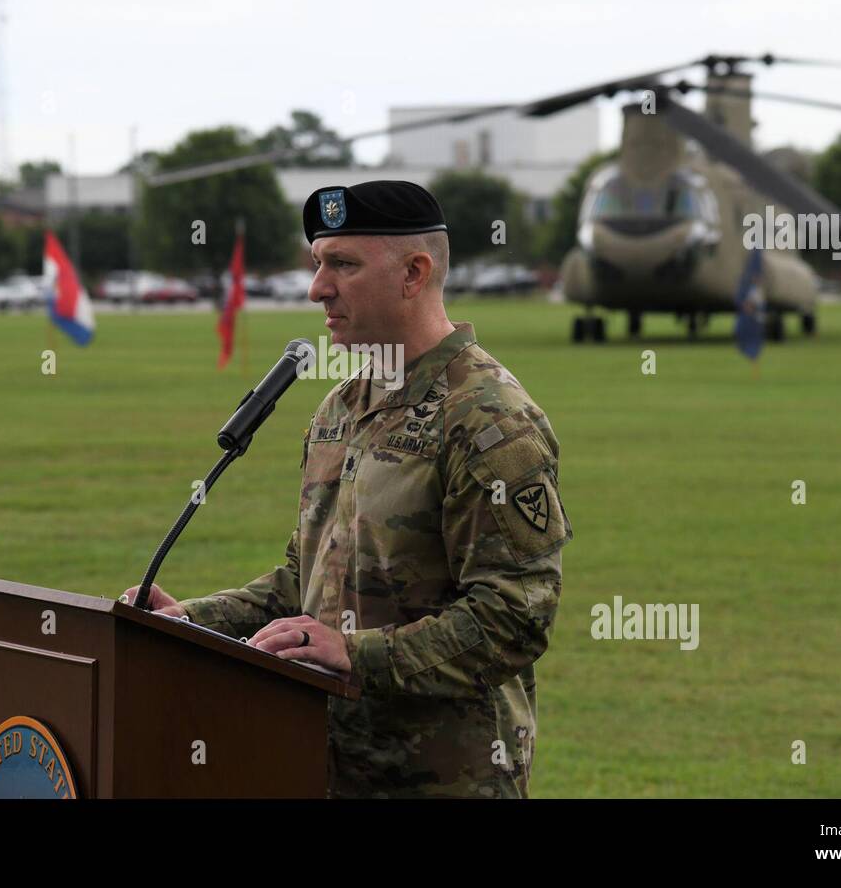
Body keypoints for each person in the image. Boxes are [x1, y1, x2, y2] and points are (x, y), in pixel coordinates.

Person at [124, 180, 570, 797]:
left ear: (414, 273)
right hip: (324, 766)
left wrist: (354, 655)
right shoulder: (341, 405)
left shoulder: (488, 419)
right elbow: (302, 582)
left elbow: (514, 619)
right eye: (317, 264)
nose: (317, 288)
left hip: (442, 779)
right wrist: (192, 621)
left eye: (343, 264)